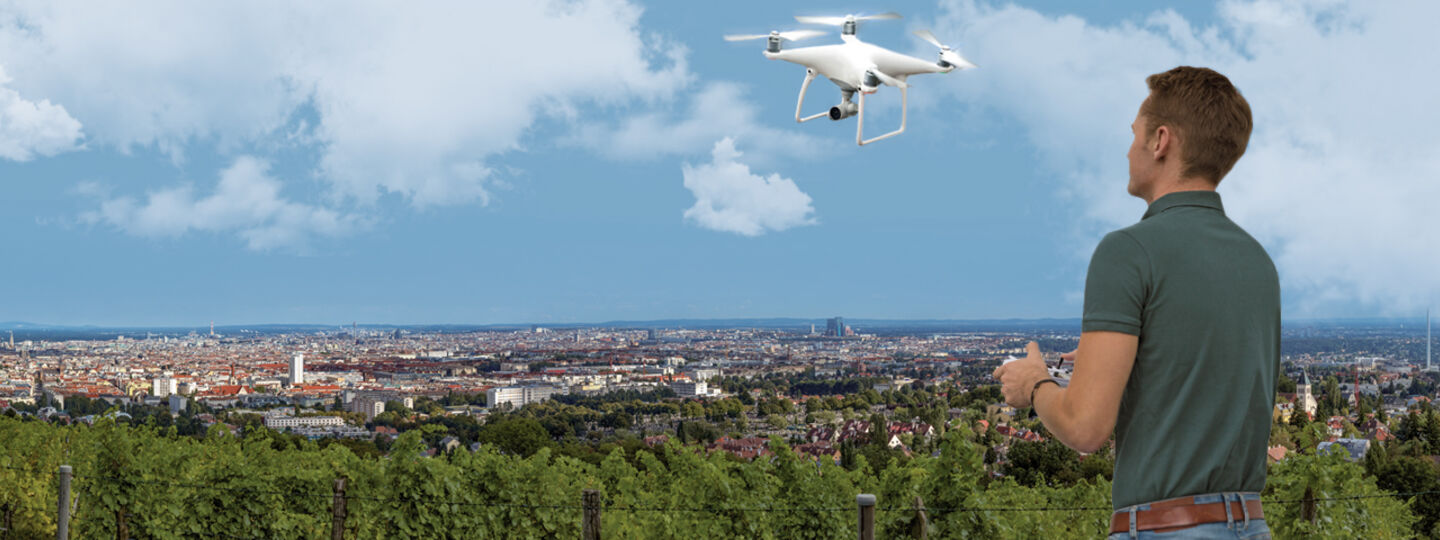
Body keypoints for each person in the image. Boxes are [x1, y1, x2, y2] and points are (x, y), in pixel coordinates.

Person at [992, 66, 1279, 539]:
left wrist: (1035, 385)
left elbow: (1085, 429)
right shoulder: (1257, 260)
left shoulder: (1127, 251)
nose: (1128, 149)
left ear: (1160, 141)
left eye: (1134, 135)